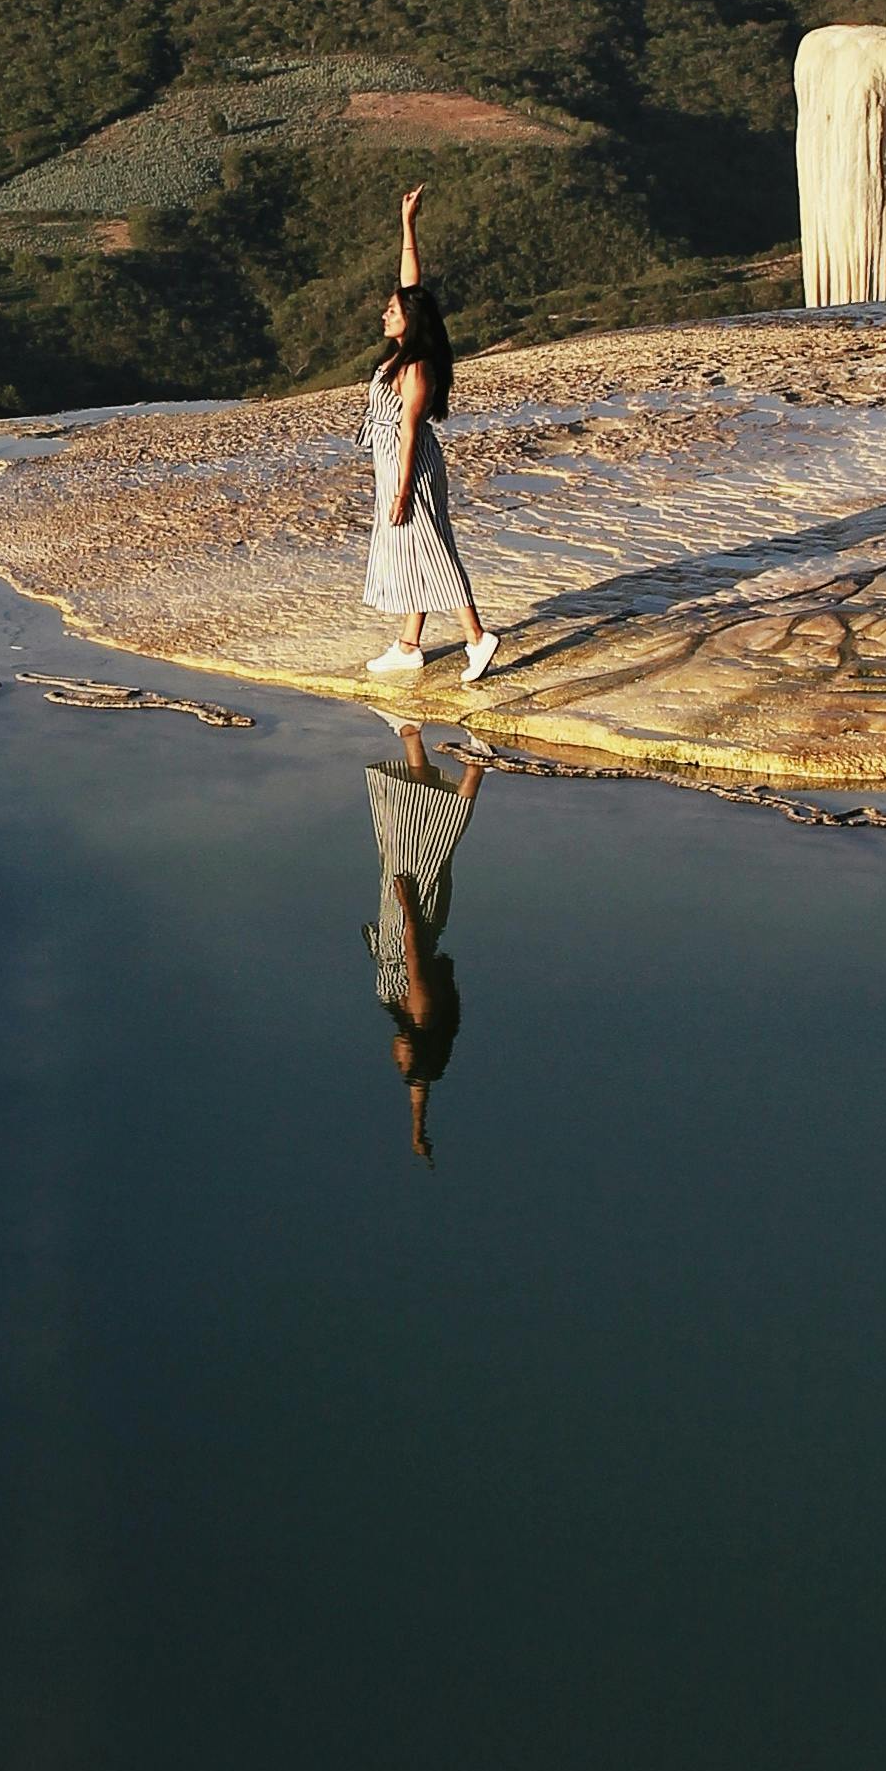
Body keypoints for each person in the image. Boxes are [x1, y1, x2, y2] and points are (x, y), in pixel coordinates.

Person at [362, 184, 500, 685]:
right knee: (415, 550)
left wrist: (399, 493)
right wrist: (408, 225)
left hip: (410, 466)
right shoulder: (405, 351)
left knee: (432, 546)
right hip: (395, 462)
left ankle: (477, 638)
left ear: (409, 322)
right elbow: (411, 286)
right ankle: (408, 644)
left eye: (392, 312)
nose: (385, 313)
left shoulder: (417, 369)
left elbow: (408, 432)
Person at [364, 722, 483, 1163]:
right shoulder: (420, 1013)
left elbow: (421, 1081)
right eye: (400, 1062)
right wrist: (408, 903)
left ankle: (412, 739)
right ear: (413, 1051)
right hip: (410, 914)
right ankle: (475, 765)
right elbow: (413, 955)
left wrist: (419, 1128)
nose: (393, 1058)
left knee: (412, 821)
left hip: (408, 914)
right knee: (432, 838)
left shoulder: (418, 1028)